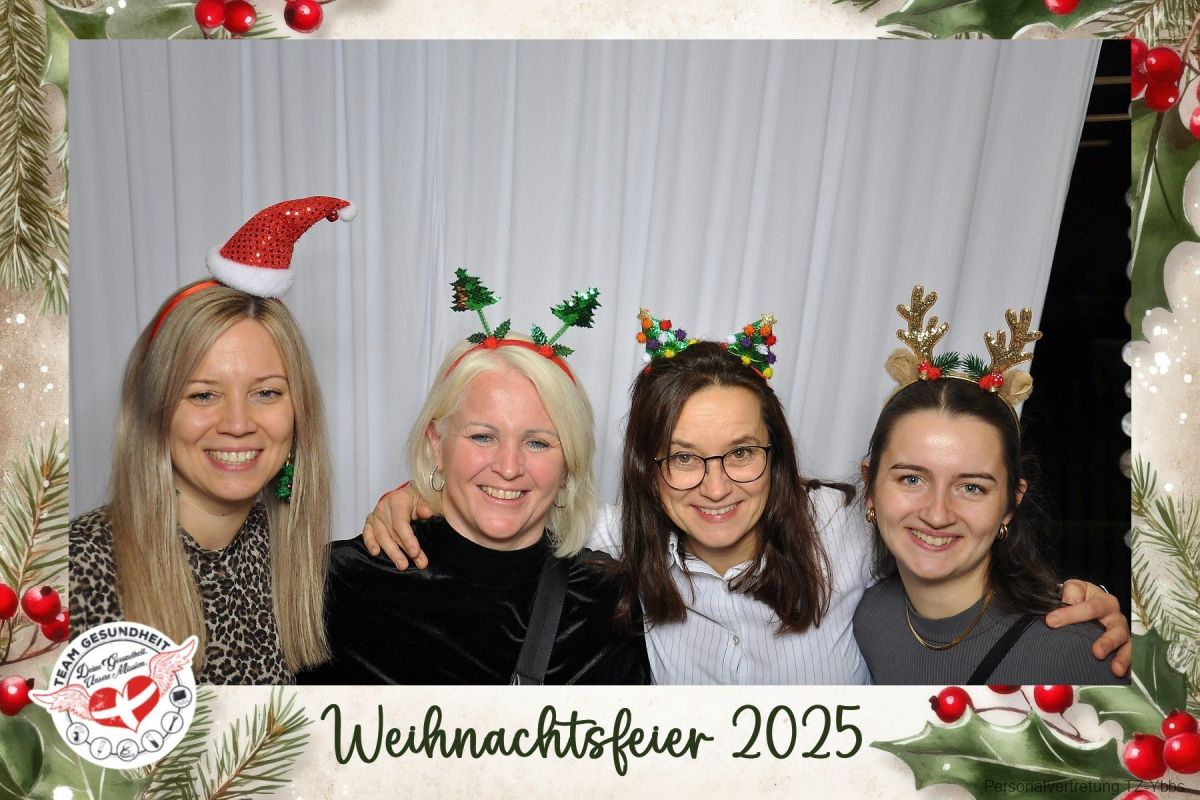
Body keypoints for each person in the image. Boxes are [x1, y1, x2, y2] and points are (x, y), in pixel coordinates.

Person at [364, 308, 1132, 683]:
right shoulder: (616, 538)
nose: (716, 485)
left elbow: (940, 530)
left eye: (741, 453)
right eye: (684, 459)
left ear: (777, 455)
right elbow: (513, 501)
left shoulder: (843, 528)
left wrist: (1071, 606)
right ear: (649, 470)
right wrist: (416, 496)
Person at [300, 277, 651, 684]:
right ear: (437, 443)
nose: (508, 467)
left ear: (568, 465)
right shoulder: (337, 583)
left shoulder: (610, 603)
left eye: (537, 442)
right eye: (483, 437)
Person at [70, 195, 352, 684]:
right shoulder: (78, 572)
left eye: (266, 392)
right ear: (155, 410)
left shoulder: (300, 562)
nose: (237, 423)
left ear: (299, 412)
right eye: (203, 395)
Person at [853, 286, 1125, 684]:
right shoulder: (868, 618)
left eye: (971, 487)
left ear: (1010, 505)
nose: (937, 514)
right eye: (912, 479)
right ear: (870, 487)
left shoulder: (1078, 654)